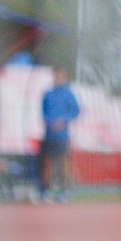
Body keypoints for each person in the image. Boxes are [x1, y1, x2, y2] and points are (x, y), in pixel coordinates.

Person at [38, 67, 80, 199]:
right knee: (46, 162)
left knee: (63, 163)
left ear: (65, 78)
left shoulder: (69, 94)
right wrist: (49, 122)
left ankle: (64, 191)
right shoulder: (48, 94)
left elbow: (76, 112)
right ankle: (46, 190)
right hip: (48, 134)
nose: (58, 79)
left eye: (60, 76)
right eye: (56, 76)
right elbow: (43, 112)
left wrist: (63, 121)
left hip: (62, 136)